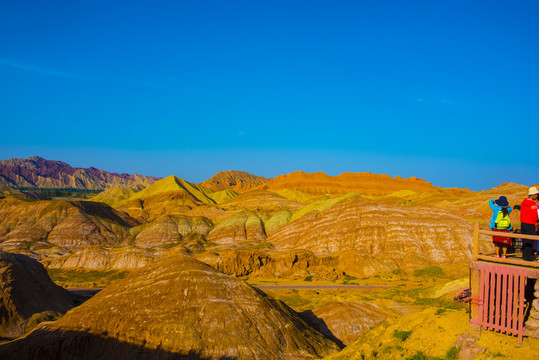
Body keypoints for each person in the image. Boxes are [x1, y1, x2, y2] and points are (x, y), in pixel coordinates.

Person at [520, 186, 539, 261]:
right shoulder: (532, 204)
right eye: (536, 194)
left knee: (524, 240)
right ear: (533, 194)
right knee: (530, 240)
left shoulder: (523, 202)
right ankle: (527, 258)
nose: (537, 196)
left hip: (523, 223)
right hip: (530, 223)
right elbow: (534, 215)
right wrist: (536, 222)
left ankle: (524, 256)